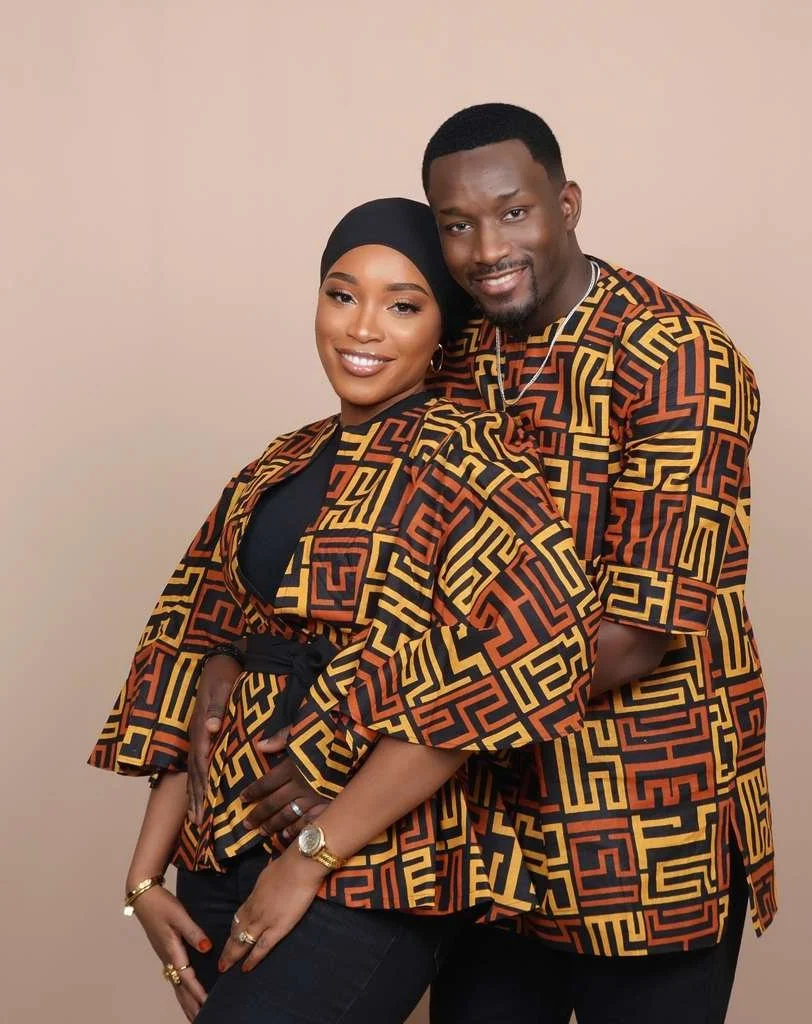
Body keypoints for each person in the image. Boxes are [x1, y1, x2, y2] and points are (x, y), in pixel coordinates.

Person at [201, 105, 773, 1023]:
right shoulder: (452, 340)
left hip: (641, 834)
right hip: (480, 835)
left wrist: (351, 741)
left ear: (568, 203)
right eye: (457, 225)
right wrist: (233, 662)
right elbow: (362, 557)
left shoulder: (678, 358)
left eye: (513, 213)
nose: (485, 248)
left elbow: (633, 636)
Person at [89, 197, 601, 1023]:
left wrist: (308, 860)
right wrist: (144, 874)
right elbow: (194, 645)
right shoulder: (278, 462)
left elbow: (489, 683)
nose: (364, 327)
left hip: (370, 863)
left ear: (444, 329)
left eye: (403, 304)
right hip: (218, 849)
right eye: (342, 294)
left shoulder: (474, 467)